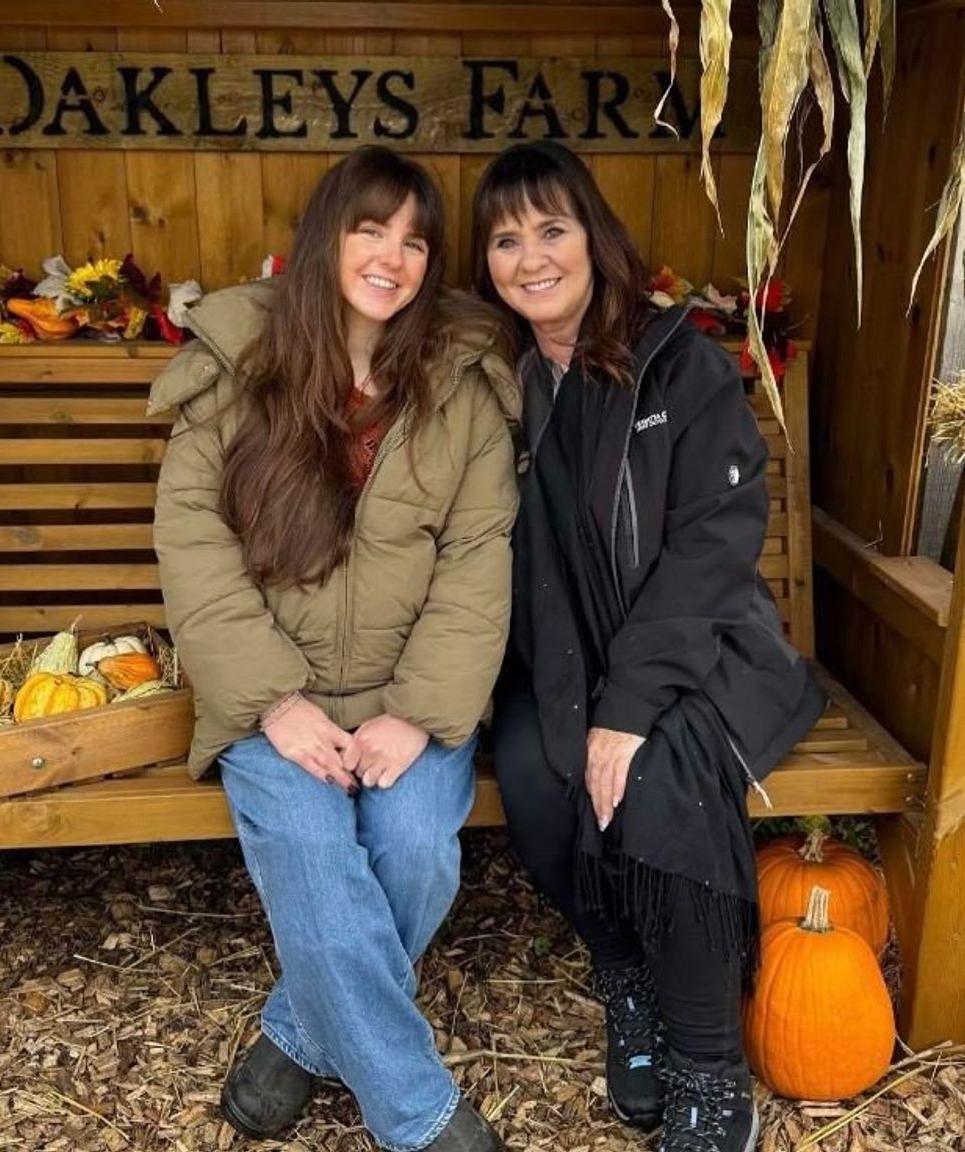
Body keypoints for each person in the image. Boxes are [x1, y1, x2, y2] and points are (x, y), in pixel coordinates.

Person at [150, 146, 519, 1151]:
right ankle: (417, 1115)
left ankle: (296, 1036)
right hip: (274, 694)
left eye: (413, 240)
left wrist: (417, 712)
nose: (391, 257)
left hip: (409, 698)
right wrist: (273, 702)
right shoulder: (240, 368)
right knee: (315, 849)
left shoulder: (461, 383)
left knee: (412, 853)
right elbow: (192, 540)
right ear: (325, 239)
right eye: (370, 229)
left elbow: (477, 557)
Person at [471, 142, 826, 1152]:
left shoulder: (676, 361)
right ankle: (623, 970)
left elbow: (712, 543)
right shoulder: (495, 383)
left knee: (658, 776)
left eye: (551, 228)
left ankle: (707, 1066)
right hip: (561, 653)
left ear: (592, 235)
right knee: (541, 775)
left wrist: (626, 709)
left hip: (703, 649)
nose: (530, 257)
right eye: (505, 238)